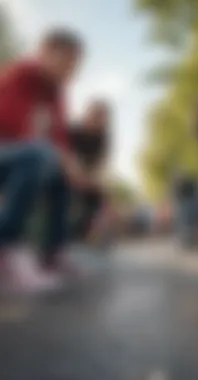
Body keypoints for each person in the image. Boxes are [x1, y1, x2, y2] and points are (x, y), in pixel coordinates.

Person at [0, 28, 88, 291]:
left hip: (20, 156)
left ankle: (53, 253)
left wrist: (71, 165)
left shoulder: (57, 94)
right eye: (67, 63)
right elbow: (10, 123)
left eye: (76, 65)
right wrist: (58, 153)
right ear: (44, 53)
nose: (71, 71)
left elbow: (60, 137)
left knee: (61, 172)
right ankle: (7, 246)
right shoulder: (22, 73)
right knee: (40, 153)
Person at [69, 100, 109, 241]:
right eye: (96, 118)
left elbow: (100, 162)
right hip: (69, 168)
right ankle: (69, 229)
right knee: (74, 189)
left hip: (86, 172)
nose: (98, 123)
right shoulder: (74, 131)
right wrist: (77, 174)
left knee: (97, 193)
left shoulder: (102, 137)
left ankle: (82, 231)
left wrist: (95, 179)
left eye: (102, 119)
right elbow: (67, 153)